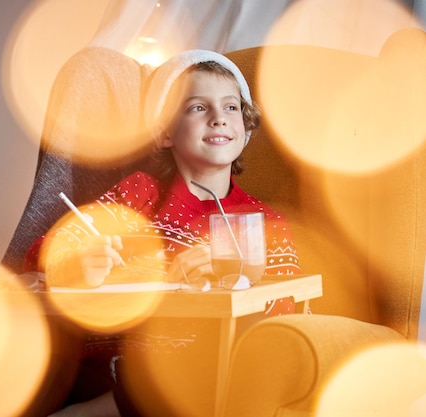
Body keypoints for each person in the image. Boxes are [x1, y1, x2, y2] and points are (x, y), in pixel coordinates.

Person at [23, 49, 301, 417]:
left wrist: (209, 295)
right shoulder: (138, 195)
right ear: (164, 132)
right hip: (102, 362)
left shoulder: (264, 224)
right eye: (198, 108)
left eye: (231, 107)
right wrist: (78, 265)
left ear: (246, 127)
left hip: (191, 378)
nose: (219, 118)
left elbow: (285, 316)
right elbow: (42, 255)